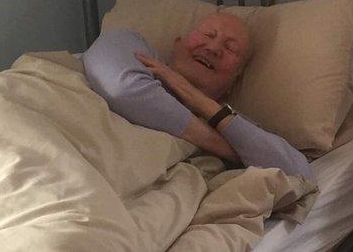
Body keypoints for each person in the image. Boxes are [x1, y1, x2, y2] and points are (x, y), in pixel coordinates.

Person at [83, 11, 313, 180]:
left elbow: (299, 175)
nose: (213, 48)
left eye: (230, 48)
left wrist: (194, 96)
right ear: (177, 44)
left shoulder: (232, 123)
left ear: (235, 78)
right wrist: (228, 150)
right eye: (207, 34)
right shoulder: (130, 44)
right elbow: (123, 90)